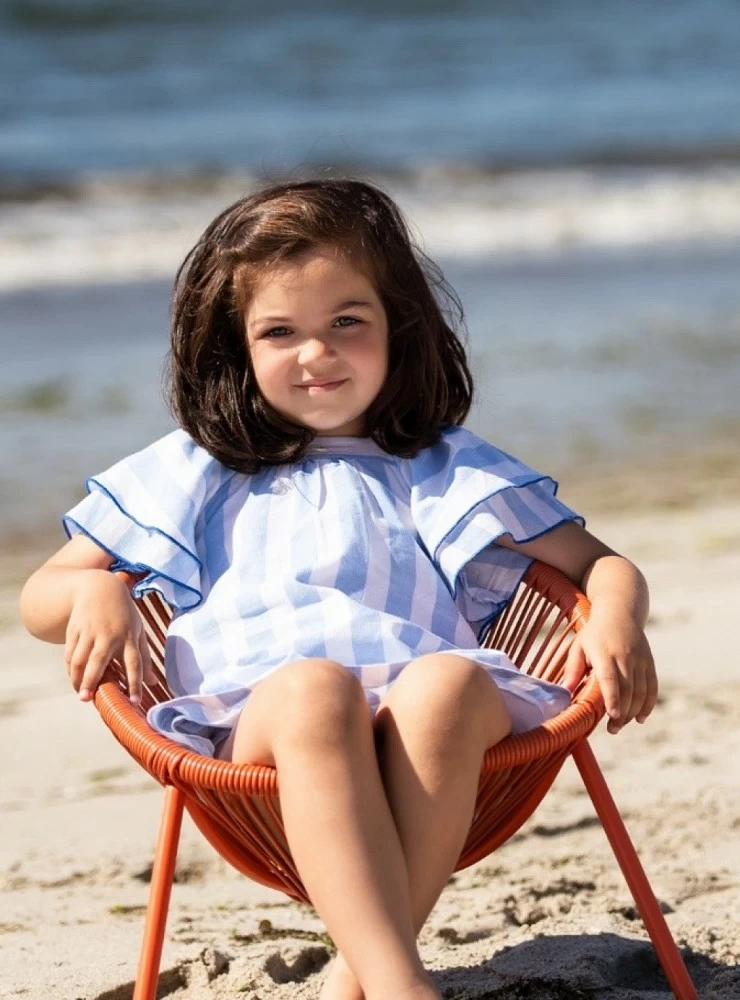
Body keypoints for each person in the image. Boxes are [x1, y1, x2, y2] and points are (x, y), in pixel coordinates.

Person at [20, 178, 658, 1000]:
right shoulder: (196, 468)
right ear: (236, 347)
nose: (315, 355)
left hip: (430, 733)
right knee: (317, 691)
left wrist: (614, 616)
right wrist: (96, 589)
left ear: (400, 327)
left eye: (346, 324)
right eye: (280, 331)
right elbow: (43, 595)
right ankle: (398, 985)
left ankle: (369, 980)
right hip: (260, 723)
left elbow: (601, 564)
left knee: (450, 680)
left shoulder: (440, 463)